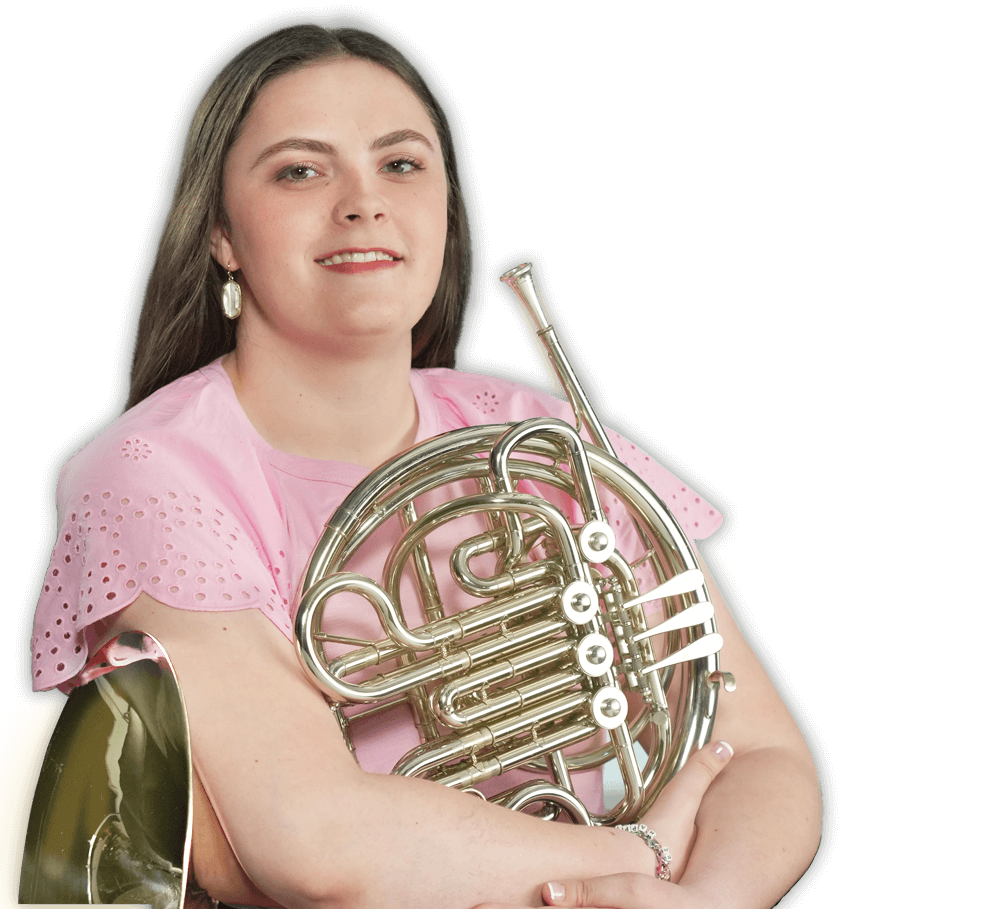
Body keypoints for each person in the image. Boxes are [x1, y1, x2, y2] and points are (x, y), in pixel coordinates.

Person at [27, 20, 822, 909]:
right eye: (300, 169)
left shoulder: (536, 433)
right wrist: (638, 853)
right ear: (220, 233)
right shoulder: (151, 471)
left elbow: (762, 753)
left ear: (446, 206)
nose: (364, 202)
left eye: (401, 164)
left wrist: (700, 902)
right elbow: (318, 842)